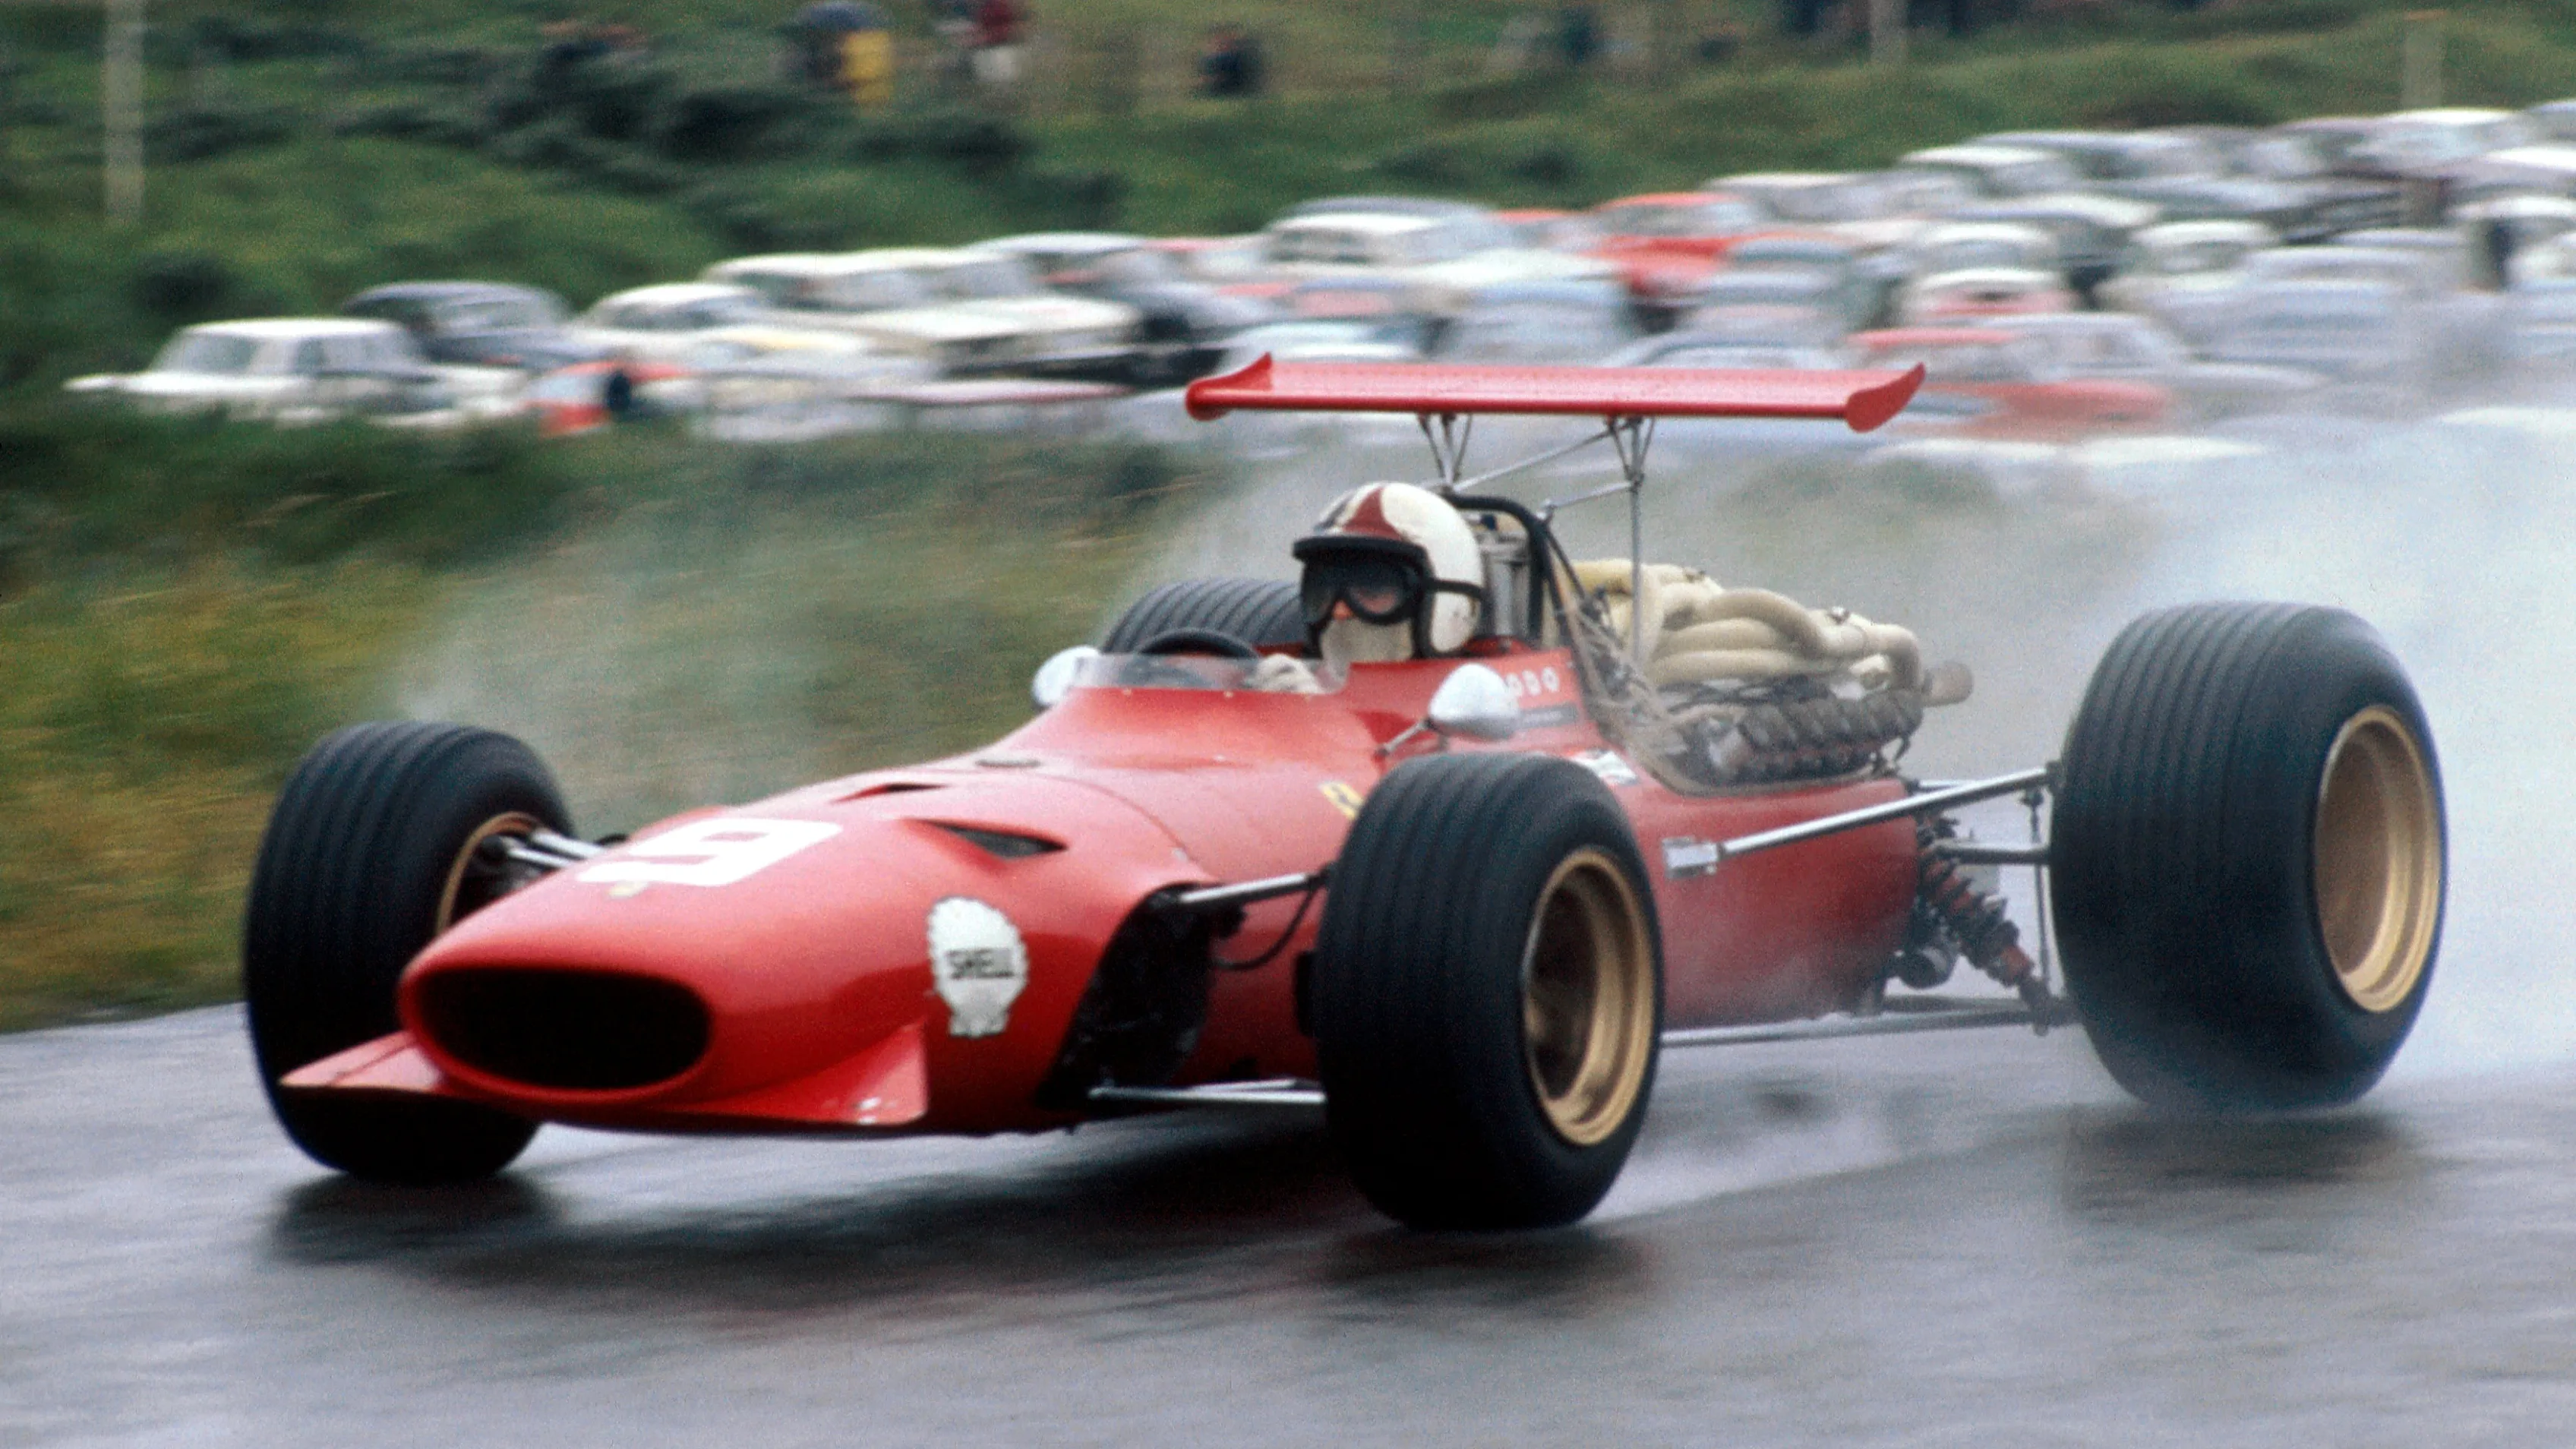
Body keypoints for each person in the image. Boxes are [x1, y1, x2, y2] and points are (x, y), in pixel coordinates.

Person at [1293, 483, 1488, 670]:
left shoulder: (1477, 697)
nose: (1339, 611)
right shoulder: (1292, 683)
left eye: (1372, 588)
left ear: (1443, 602)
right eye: (1323, 590)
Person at [971, 0, 1024, 92]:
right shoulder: (986, 8)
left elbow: (1012, 28)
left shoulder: (1001, 7)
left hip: (1003, 48)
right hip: (989, 49)